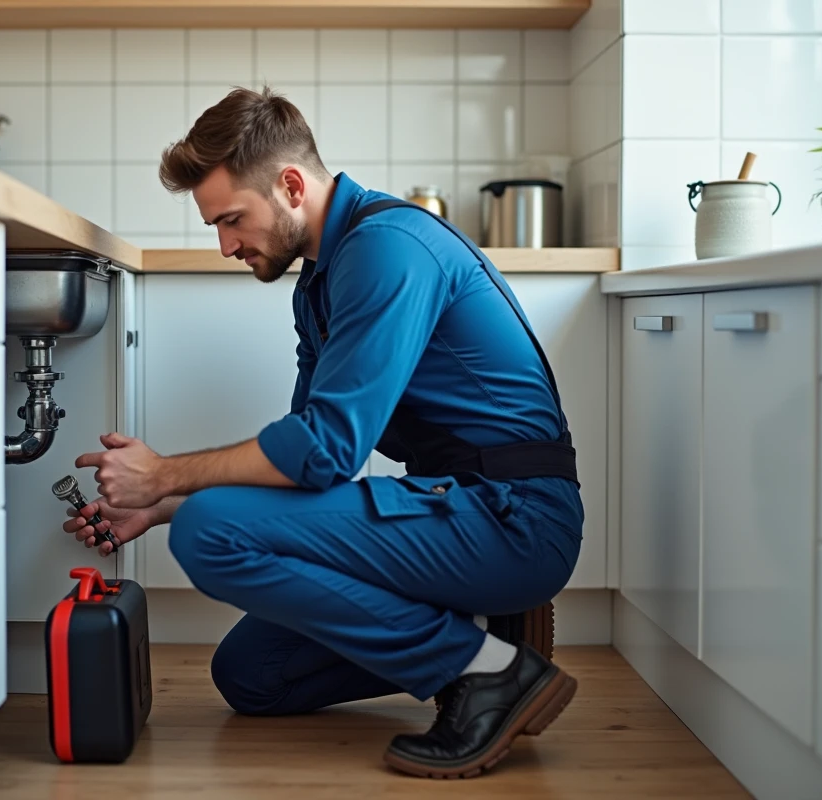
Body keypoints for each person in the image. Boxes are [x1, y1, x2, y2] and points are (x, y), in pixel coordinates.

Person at [63, 85, 585, 780]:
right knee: (253, 677)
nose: (223, 246)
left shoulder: (387, 248)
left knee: (211, 532)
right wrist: (158, 508)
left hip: (514, 517)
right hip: (454, 505)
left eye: (231, 220)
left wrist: (165, 476)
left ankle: (485, 670)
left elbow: (322, 449)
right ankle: (487, 634)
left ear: (289, 185)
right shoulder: (321, 281)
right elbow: (317, 467)